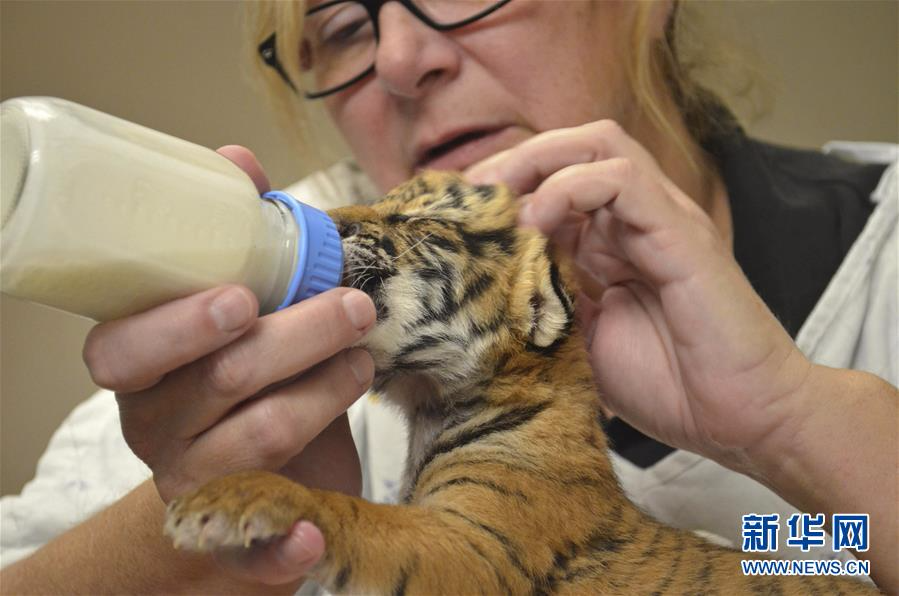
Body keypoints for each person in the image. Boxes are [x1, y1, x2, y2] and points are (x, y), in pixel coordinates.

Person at [1, 1, 895, 594]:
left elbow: (822, 551)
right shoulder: (265, 288)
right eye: (344, 23)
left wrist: (789, 421)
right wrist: (202, 529)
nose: (398, 57)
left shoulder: (880, 255)